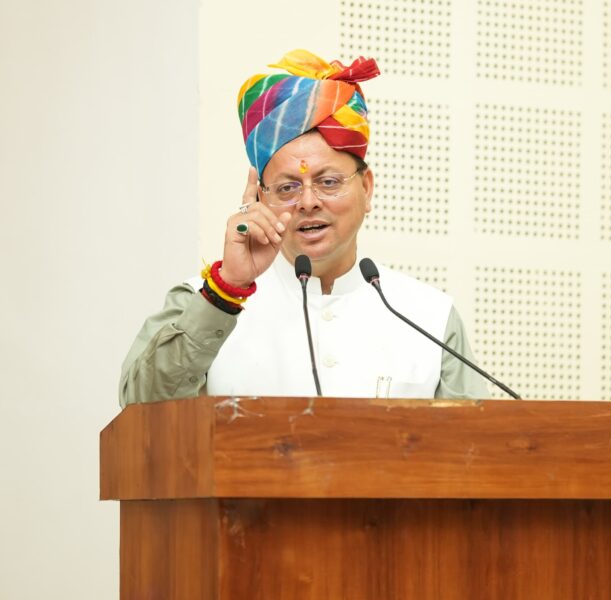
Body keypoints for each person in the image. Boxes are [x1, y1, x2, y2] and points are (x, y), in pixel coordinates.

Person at [119, 49, 488, 408]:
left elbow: (475, 443)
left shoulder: (429, 317)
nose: (308, 201)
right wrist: (229, 287)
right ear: (260, 198)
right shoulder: (203, 300)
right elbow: (138, 408)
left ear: (366, 188)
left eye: (328, 182)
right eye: (287, 188)